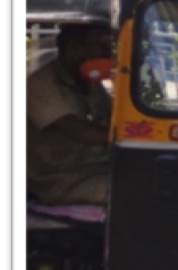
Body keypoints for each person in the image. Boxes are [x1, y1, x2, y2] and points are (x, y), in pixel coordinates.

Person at [26, 25, 115, 206]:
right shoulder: (41, 84)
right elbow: (80, 132)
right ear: (75, 48)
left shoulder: (90, 83)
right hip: (60, 180)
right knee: (129, 191)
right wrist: (126, 136)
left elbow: (114, 117)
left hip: (96, 167)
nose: (109, 55)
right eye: (102, 47)